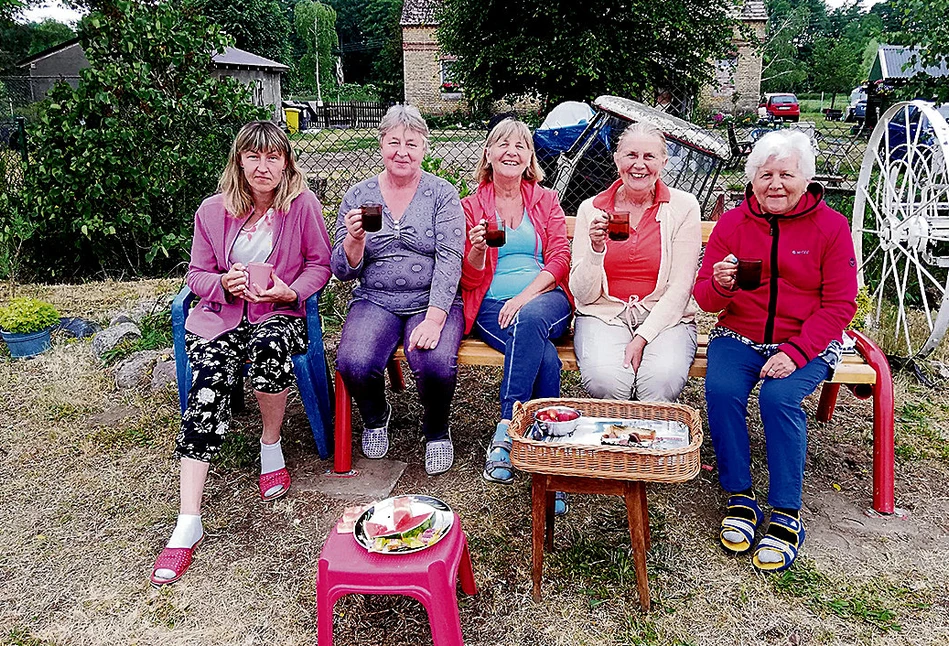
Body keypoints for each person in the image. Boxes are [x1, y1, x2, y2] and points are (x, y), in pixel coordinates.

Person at [150, 121, 332, 586]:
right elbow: (195, 275)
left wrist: (290, 292)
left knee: (271, 353)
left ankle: (270, 446)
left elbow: (320, 265)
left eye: (273, 157)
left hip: (278, 315)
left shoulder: (302, 206)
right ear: (240, 161)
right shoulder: (212, 211)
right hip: (221, 317)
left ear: (287, 162)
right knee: (208, 389)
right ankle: (188, 520)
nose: (263, 166)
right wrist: (223, 284)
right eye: (254, 156)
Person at [693, 130, 857, 572]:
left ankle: (787, 511)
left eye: (787, 174)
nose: (776, 184)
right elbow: (706, 298)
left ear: (806, 178)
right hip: (739, 335)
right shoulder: (732, 223)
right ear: (752, 180)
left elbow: (841, 304)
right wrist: (720, 284)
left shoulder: (831, 226)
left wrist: (797, 351)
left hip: (808, 339)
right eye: (766, 174)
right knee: (723, 390)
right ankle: (740, 496)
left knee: (778, 397)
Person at [332, 104, 465, 476]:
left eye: (411, 143)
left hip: (431, 298)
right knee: (353, 361)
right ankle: (377, 416)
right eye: (394, 142)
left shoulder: (442, 194)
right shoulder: (360, 195)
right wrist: (354, 240)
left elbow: (451, 257)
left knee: (435, 361)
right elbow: (341, 270)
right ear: (381, 145)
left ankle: (437, 431)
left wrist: (436, 318)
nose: (402, 151)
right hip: (376, 297)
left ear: (424, 147)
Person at [460, 118, 572, 498]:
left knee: (530, 320)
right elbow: (470, 280)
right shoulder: (470, 206)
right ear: (488, 154)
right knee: (547, 360)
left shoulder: (546, 200)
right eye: (503, 145)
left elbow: (560, 258)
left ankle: (507, 427)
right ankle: (550, 455)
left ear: (529, 158)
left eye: (520, 146)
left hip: (544, 297)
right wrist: (476, 249)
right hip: (491, 305)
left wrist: (524, 297)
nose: (511, 152)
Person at [570, 122, 701, 403]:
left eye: (649, 157)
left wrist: (642, 337)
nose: (639, 165)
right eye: (631, 155)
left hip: (665, 317)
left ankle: (653, 443)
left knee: (659, 382)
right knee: (607, 382)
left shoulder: (683, 207)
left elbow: (680, 289)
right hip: (604, 314)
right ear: (617, 159)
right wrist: (595, 249)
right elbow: (583, 295)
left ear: (663, 162)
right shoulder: (591, 209)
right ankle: (616, 441)